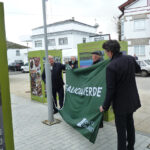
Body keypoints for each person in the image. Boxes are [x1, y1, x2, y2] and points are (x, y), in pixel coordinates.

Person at [99, 40, 141, 150]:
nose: (106, 54)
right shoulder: (130, 58)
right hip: (132, 101)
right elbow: (138, 70)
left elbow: (110, 90)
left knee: (121, 130)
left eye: (106, 51)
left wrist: (104, 106)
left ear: (110, 52)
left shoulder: (111, 66)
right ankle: (130, 147)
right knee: (130, 124)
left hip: (120, 104)